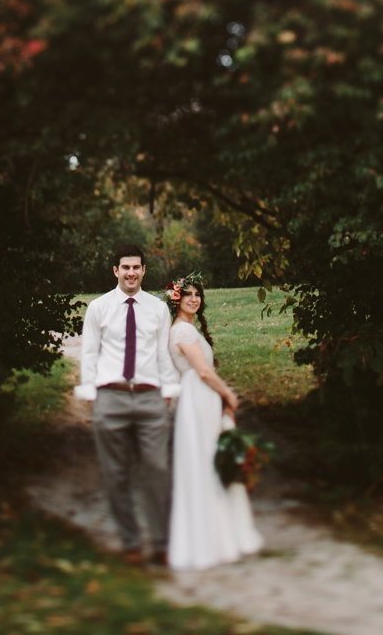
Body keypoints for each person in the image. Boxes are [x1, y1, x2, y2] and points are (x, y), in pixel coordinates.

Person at [74, 244, 181, 566]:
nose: (131, 273)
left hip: (150, 399)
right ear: (115, 271)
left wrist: (167, 392)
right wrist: (93, 398)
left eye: (136, 267)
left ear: (144, 270)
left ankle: (162, 543)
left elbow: (163, 353)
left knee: (158, 471)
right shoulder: (99, 308)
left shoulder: (158, 309)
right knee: (115, 474)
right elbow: (89, 353)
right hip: (112, 398)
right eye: (125, 267)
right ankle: (131, 542)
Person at [166, 275, 263, 571]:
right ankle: (209, 540)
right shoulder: (182, 331)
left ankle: (221, 535)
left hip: (202, 399)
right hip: (197, 400)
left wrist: (220, 402)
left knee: (214, 463)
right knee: (206, 464)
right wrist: (229, 396)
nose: (194, 299)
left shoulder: (189, 329)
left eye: (197, 295)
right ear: (177, 299)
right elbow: (204, 373)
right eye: (188, 295)